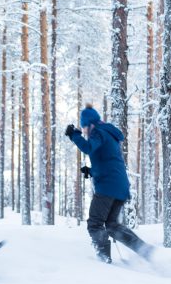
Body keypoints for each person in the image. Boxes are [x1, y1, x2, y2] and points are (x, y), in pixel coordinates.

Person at [65, 105, 154, 264]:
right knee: (112, 225)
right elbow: (109, 162)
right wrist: (91, 171)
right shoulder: (108, 134)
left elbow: (88, 147)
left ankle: (104, 260)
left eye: (84, 127)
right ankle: (143, 249)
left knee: (94, 223)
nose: (84, 131)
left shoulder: (98, 132)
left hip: (107, 187)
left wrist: (74, 135)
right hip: (119, 186)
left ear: (91, 124)